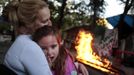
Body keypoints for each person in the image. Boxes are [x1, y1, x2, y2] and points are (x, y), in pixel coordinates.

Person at [3, 0, 52, 75]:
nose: (50, 24)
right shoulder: (29, 47)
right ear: (29, 24)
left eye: (49, 19)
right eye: (45, 21)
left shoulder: (22, 42)